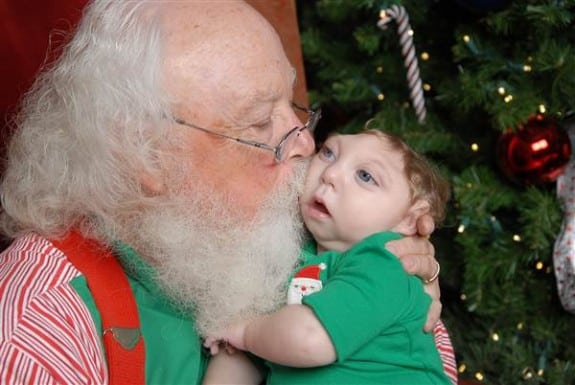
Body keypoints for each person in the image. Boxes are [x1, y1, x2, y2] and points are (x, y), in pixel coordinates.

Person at [0, 1, 447, 384]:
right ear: (146, 156)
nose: (307, 146)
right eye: (258, 124)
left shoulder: (306, 226)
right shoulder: (41, 323)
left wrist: (416, 285)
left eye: (290, 105)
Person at [203, 129, 453, 385]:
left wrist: (245, 331)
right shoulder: (289, 256)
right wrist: (242, 339)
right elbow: (248, 355)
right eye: (328, 153)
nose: (330, 174)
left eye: (365, 176)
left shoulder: (387, 260)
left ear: (410, 218)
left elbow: (308, 338)